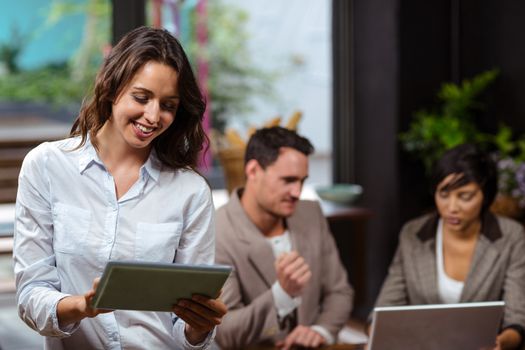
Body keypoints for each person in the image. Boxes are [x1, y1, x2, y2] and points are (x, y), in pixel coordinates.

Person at [13, 26, 226, 349]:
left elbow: (185, 329)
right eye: (141, 98)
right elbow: (30, 296)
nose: (153, 116)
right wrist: (81, 306)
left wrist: (199, 328)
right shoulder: (46, 166)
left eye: (168, 105)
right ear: (112, 88)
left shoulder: (190, 192)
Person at [372, 143, 525, 349]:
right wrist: (375, 334)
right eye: (444, 194)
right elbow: (385, 309)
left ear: (485, 197)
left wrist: (501, 343)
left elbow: (517, 319)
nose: (451, 208)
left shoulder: (511, 236)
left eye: (465, 196)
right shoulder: (414, 234)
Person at [214, 126, 354, 349]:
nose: (297, 192)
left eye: (302, 181)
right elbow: (226, 332)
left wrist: (319, 331)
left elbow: (340, 292)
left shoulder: (311, 213)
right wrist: (281, 295)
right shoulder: (217, 231)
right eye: (288, 180)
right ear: (253, 171)